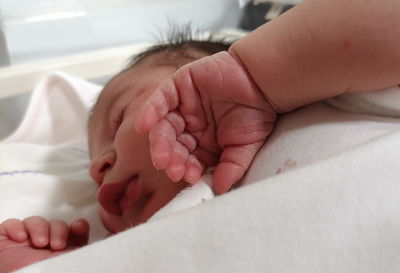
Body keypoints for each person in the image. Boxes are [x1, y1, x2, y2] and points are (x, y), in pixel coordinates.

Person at [1, 0, 399, 271]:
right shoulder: (155, 236)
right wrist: (42, 259)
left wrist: (257, 74)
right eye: (95, 158)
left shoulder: (329, 98)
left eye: (120, 118)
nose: (97, 168)